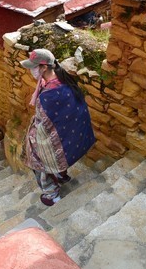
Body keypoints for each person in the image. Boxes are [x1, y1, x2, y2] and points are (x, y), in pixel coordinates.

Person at [20, 49, 96, 206]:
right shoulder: (64, 80)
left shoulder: (49, 96)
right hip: (67, 130)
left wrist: (33, 136)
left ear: (44, 67)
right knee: (49, 148)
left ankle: (51, 193)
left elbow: (43, 120)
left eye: (34, 66)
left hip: (53, 131)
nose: (31, 70)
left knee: (34, 156)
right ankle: (61, 174)